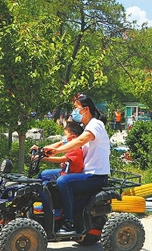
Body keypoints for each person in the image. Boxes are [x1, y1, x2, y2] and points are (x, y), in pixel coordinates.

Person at [41, 94, 109, 234]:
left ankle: (69, 221)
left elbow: (79, 142)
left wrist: (56, 151)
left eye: (76, 108)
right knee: (45, 175)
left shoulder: (96, 125)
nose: (74, 111)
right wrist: (43, 150)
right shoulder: (84, 127)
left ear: (86, 109)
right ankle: (52, 211)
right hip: (84, 172)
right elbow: (66, 141)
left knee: (63, 181)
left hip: (96, 175)